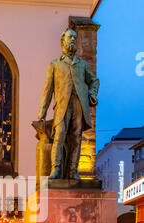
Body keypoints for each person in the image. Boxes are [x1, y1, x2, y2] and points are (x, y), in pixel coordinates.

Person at [38, 28, 99, 179]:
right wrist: (42, 113)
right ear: (62, 41)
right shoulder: (54, 64)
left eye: (74, 38)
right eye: (69, 37)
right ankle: (56, 168)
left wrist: (92, 94)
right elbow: (47, 91)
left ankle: (73, 170)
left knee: (76, 137)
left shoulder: (83, 65)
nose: (72, 40)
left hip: (79, 104)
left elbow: (94, 81)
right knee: (59, 135)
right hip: (62, 106)